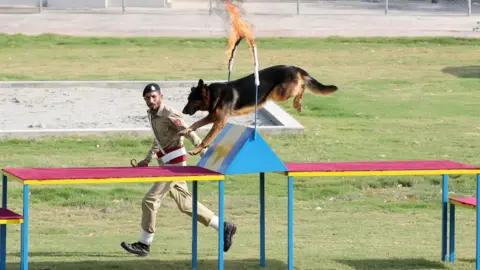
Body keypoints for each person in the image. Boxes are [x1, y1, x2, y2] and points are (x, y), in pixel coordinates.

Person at [121, 83, 237, 257]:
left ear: (161, 96)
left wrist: (204, 153)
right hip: (166, 164)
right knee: (186, 204)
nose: (151, 100)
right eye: (147, 98)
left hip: (174, 167)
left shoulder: (169, 113)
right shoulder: (153, 114)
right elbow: (159, 139)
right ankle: (224, 226)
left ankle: (144, 244)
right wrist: (147, 158)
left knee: (150, 201)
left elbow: (189, 132)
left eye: (154, 97)